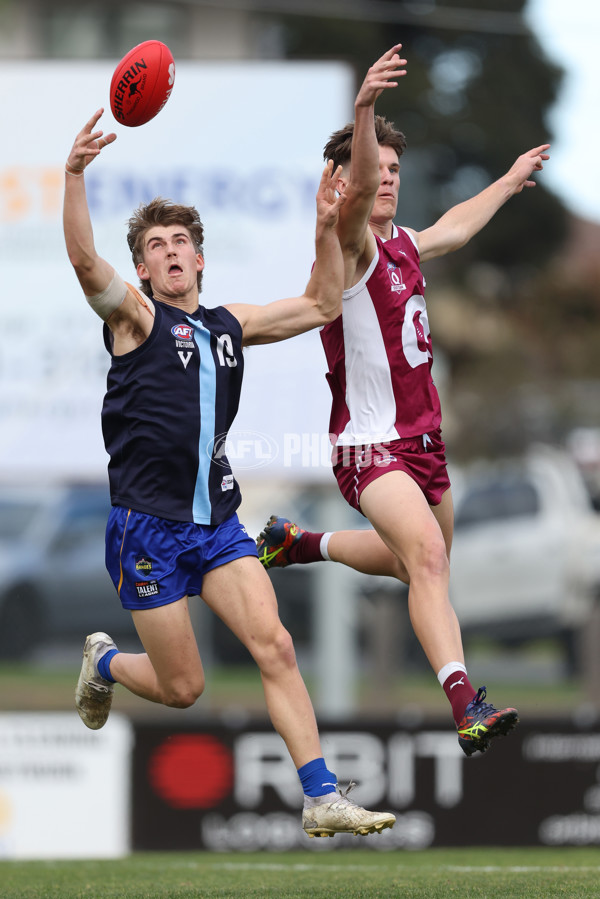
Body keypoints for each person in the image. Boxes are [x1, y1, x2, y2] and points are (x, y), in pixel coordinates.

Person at [65, 108, 397, 838]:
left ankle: (319, 795)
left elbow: (317, 303)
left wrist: (325, 226)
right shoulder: (136, 322)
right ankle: (109, 661)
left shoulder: (226, 325)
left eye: (182, 241)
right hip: (147, 529)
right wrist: (74, 175)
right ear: (145, 270)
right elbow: (88, 264)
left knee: (276, 645)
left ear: (201, 259)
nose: (172, 252)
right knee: (184, 688)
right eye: (157, 246)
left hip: (216, 522)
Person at [257, 44, 551, 757]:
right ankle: (465, 702)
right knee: (425, 560)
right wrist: (361, 109)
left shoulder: (403, 245)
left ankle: (300, 543)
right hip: (370, 447)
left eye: (393, 170)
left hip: (426, 445)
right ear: (345, 179)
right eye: (374, 169)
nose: (385, 180)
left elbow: (452, 227)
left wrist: (508, 181)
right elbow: (352, 206)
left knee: (419, 562)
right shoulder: (348, 244)